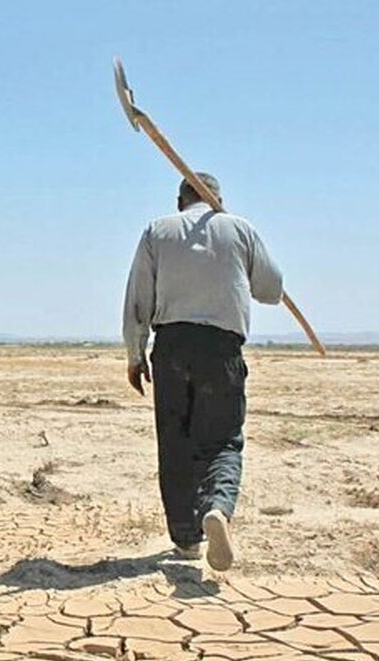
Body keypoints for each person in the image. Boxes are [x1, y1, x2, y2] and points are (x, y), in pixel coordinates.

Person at [122, 173, 283, 570]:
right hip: (221, 350)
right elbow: (272, 290)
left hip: (172, 349)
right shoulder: (239, 230)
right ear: (216, 199)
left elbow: (138, 298)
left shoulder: (157, 230)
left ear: (180, 201)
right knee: (223, 441)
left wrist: (134, 353)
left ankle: (186, 539)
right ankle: (216, 509)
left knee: (175, 443)